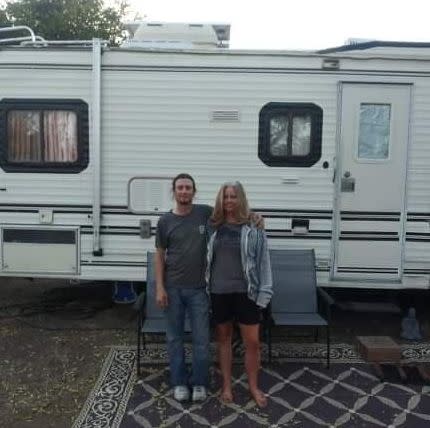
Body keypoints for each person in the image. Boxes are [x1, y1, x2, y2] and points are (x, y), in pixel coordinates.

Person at [206, 181, 273, 408]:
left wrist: (265, 294)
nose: (229, 201)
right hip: (219, 292)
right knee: (223, 340)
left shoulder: (254, 227)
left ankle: (253, 386)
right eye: (225, 197)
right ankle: (227, 385)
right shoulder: (213, 226)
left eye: (233, 196)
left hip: (247, 293)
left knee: (252, 343)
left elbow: (264, 262)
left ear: (241, 199)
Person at [155, 173, 211, 402]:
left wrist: (253, 217)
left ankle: (199, 383)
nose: (184, 191)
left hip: (199, 290)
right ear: (174, 191)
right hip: (173, 289)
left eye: (188, 188)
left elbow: (232, 212)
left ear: (194, 192)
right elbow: (159, 256)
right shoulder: (165, 222)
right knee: (174, 338)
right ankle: (179, 382)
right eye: (180, 188)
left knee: (201, 339)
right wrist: (160, 287)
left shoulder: (205, 213)